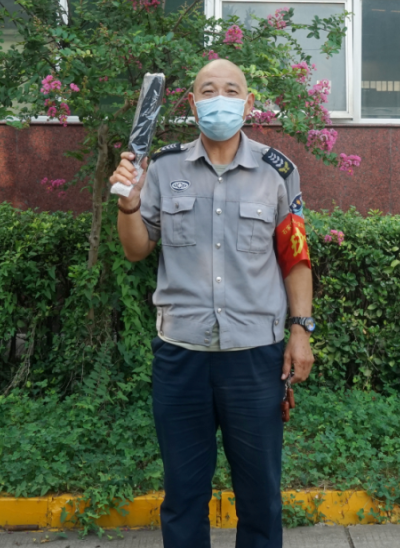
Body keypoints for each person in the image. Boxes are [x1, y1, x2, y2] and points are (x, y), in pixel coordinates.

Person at [110, 59, 315, 548]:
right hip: (181, 356)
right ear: (192, 103)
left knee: (261, 499)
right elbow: (136, 249)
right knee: (183, 497)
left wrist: (300, 330)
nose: (218, 98)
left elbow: (296, 257)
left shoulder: (277, 172)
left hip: (255, 358)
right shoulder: (161, 168)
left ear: (248, 103)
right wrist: (128, 203)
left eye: (230, 90)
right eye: (207, 90)